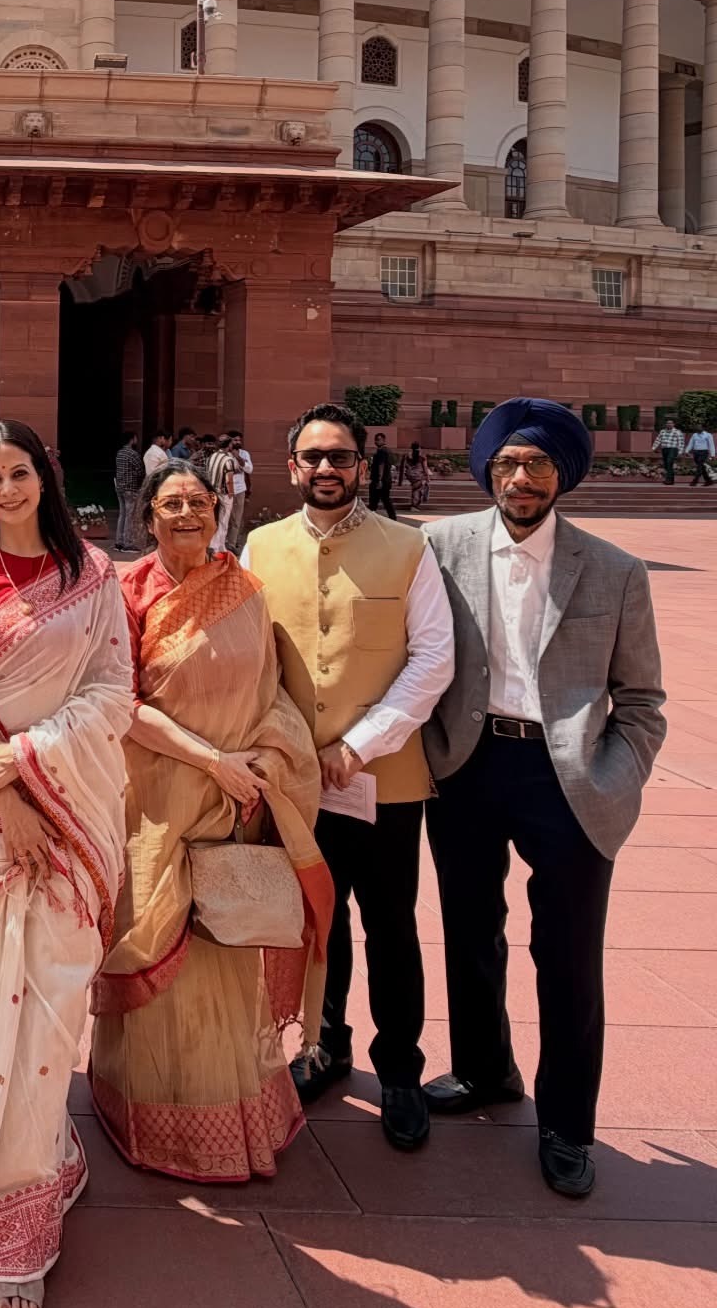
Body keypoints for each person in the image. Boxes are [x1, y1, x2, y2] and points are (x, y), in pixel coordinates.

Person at [421, 399, 666, 1197]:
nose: (521, 479)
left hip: (569, 776)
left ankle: (566, 1122)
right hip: (466, 764)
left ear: (563, 475)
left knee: (566, 955)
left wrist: (617, 777)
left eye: (538, 465)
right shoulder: (440, 547)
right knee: (468, 930)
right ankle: (484, 1069)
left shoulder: (615, 570)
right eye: (508, 464)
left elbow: (642, 701)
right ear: (487, 471)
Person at [0, 420, 132, 1308]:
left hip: (73, 805)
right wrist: (9, 792)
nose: (5, 489)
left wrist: (34, 761)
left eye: (18, 473)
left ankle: (20, 1233)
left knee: (49, 1017)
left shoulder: (95, 575)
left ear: (44, 477)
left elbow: (114, 693)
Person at [90, 460, 332, 1182]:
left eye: (199, 501)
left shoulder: (246, 591)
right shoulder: (127, 592)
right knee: (153, 943)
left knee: (221, 949)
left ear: (217, 511)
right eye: (171, 504)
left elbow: (273, 693)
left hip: (234, 798)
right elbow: (120, 702)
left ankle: (231, 1116)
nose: (188, 514)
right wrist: (212, 760)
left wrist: (261, 761)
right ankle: (146, 1114)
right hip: (155, 800)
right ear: (147, 516)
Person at [243, 403, 455, 1154]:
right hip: (296, 782)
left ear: (362, 465)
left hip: (384, 780)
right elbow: (250, 658)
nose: (326, 468)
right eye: (313, 457)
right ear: (292, 466)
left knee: (389, 925)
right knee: (314, 922)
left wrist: (362, 745)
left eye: (340, 456)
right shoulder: (260, 546)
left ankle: (399, 1071)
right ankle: (324, 1046)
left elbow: (433, 657)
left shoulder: (407, 547)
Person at [113, 432, 145, 553]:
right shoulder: (133, 454)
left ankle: (119, 542)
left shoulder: (120, 453)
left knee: (122, 514)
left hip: (120, 487)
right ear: (132, 440)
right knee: (130, 516)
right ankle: (128, 543)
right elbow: (140, 471)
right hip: (131, 488)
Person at [205, 432, 237, 553]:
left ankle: (216, 545)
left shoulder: (212, 457)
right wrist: (231, 493)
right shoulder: (228, 460)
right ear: (228, 445)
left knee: (214, 519)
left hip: (211, 493)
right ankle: (217, 547)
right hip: (223, 493)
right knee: (223, 520)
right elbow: (229, 480)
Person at [226, 430, 254, 552]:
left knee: (236, 519)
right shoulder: (224, 453)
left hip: (239, 490)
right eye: (235, 440)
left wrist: (238, 457)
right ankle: (223, 543)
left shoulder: (244, 454)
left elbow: (249, 469)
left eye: (239, 440)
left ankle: (231, 544)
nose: (238, 442)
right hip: (225, 490)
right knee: (225, 518)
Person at [367, 431, 397, 521]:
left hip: (380, 480)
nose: (376, 441)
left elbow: (381, 465)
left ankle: (391, 517)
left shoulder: (381, 451)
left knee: (377, 499)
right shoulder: (387, 451)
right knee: (381, 500)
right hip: (385, 479)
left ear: (384, 440)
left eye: (378, 440)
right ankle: (392, 517)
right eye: (375, 440)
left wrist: (379, 480)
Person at [398, 440, 431, 510]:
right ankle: (414, 505)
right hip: (418, 475)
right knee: (417, 489)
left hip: (410, 475)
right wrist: (427, 477)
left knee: (415, 488)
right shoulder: (422, 456)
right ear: (419, 448)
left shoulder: (407, 455)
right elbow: (425, 468)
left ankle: (414, 504)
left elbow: (402, 467)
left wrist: (400, 480)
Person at [651, 418, 684, 485]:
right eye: (668, 423)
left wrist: (680, 451)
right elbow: (658, 440)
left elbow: (681, 442)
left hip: (673, 449)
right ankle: (671, 480)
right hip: (664, 449)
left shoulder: (677, 432)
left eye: (670, 423)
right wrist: (653, 448)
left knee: (669, 462)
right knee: (666, 465)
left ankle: (668, 480)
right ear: (666, 424)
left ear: (673, 424)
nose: (669, 424)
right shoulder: (662, 431)